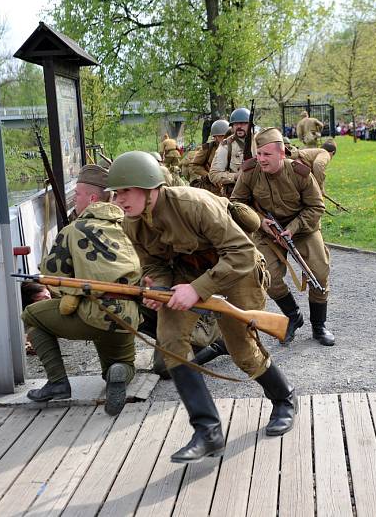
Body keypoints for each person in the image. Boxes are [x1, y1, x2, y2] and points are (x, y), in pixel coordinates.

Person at [107, 150, 297, 463]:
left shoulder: (193, 204)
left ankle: (284, 398)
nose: (120, 199)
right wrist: (157, 288)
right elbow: (154, 264)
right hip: (188, 272)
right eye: (116, 192)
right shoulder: (133, 224)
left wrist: (197, 290)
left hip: (236, 270)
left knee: (241, 347)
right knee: (170, 343)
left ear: (149, 186)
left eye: (125, 190)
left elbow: (242, 253)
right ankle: (208, 431)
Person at [21, 164, 141, 415]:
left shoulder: (73, 231)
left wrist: (72, 296)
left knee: (31, 315)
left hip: (92, 314)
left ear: (92, 198)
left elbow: (51, 277)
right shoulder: (129, 226)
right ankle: (117, 373)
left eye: (77, 195)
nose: (74, 200)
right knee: (122, 365)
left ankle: (57, 383)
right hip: (128, 314)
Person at [231, 128, 335, 346]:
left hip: (302, 229)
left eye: (267, 155)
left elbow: (316, 206)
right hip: (267, 230)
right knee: (266, 275)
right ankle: (293, 317)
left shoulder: (300, 173)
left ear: (282, 153)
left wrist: (294, 228)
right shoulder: (250, 172)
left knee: (319, 271)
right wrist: (260, 222)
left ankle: (319, 326)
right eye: (259, 154)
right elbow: (237, 203)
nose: (261, 159)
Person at [209, 107, 253, 197]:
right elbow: (214, 175)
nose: (239, 126)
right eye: (236, 124)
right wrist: (236, 176)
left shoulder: (260, 142)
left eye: (243, 123)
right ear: (232, 127)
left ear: (250, 125)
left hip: (260, 192)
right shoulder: (226, 146)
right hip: (237, 194)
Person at [185, 118, 230, 196]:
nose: (224, 139)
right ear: (215, 137)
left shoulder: (234, 147)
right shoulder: (208, 148)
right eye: (221, 136)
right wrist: (208, 176)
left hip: (229, 186)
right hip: (212, 188)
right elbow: (194, 165)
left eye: (226, 136)